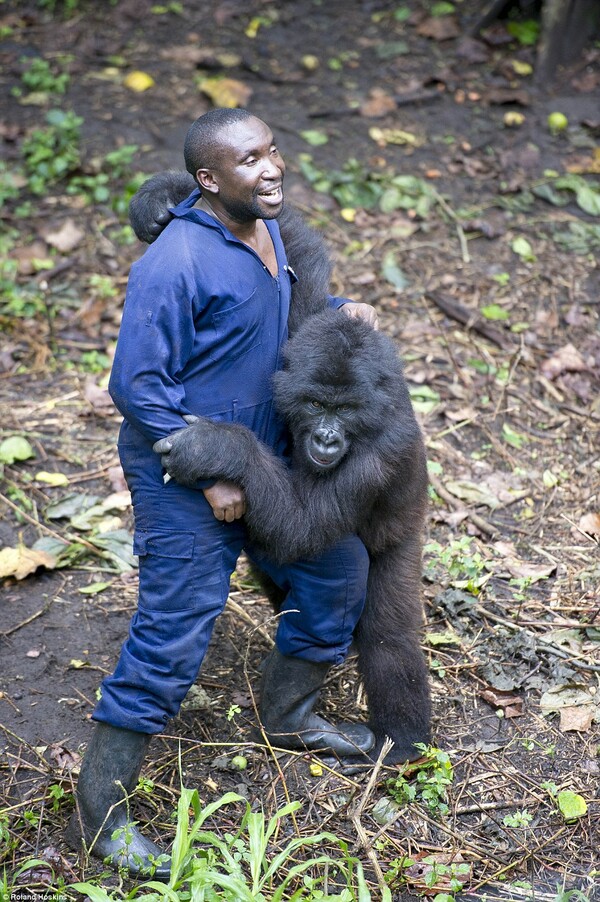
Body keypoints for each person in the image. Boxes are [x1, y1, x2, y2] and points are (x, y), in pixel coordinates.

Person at [66, 108, 378, 878]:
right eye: (248, 160)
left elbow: (265, 328)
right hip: (187, 468)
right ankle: (99, 812)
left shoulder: (266, 230)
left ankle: (289, 713)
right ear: (208, 180)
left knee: (337, 572)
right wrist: (211, 476)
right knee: (175, 633)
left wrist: (340, 313)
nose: (271, 168)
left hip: (266, 457)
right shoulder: (174, 264)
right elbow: (136, 386)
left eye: (272, 150)